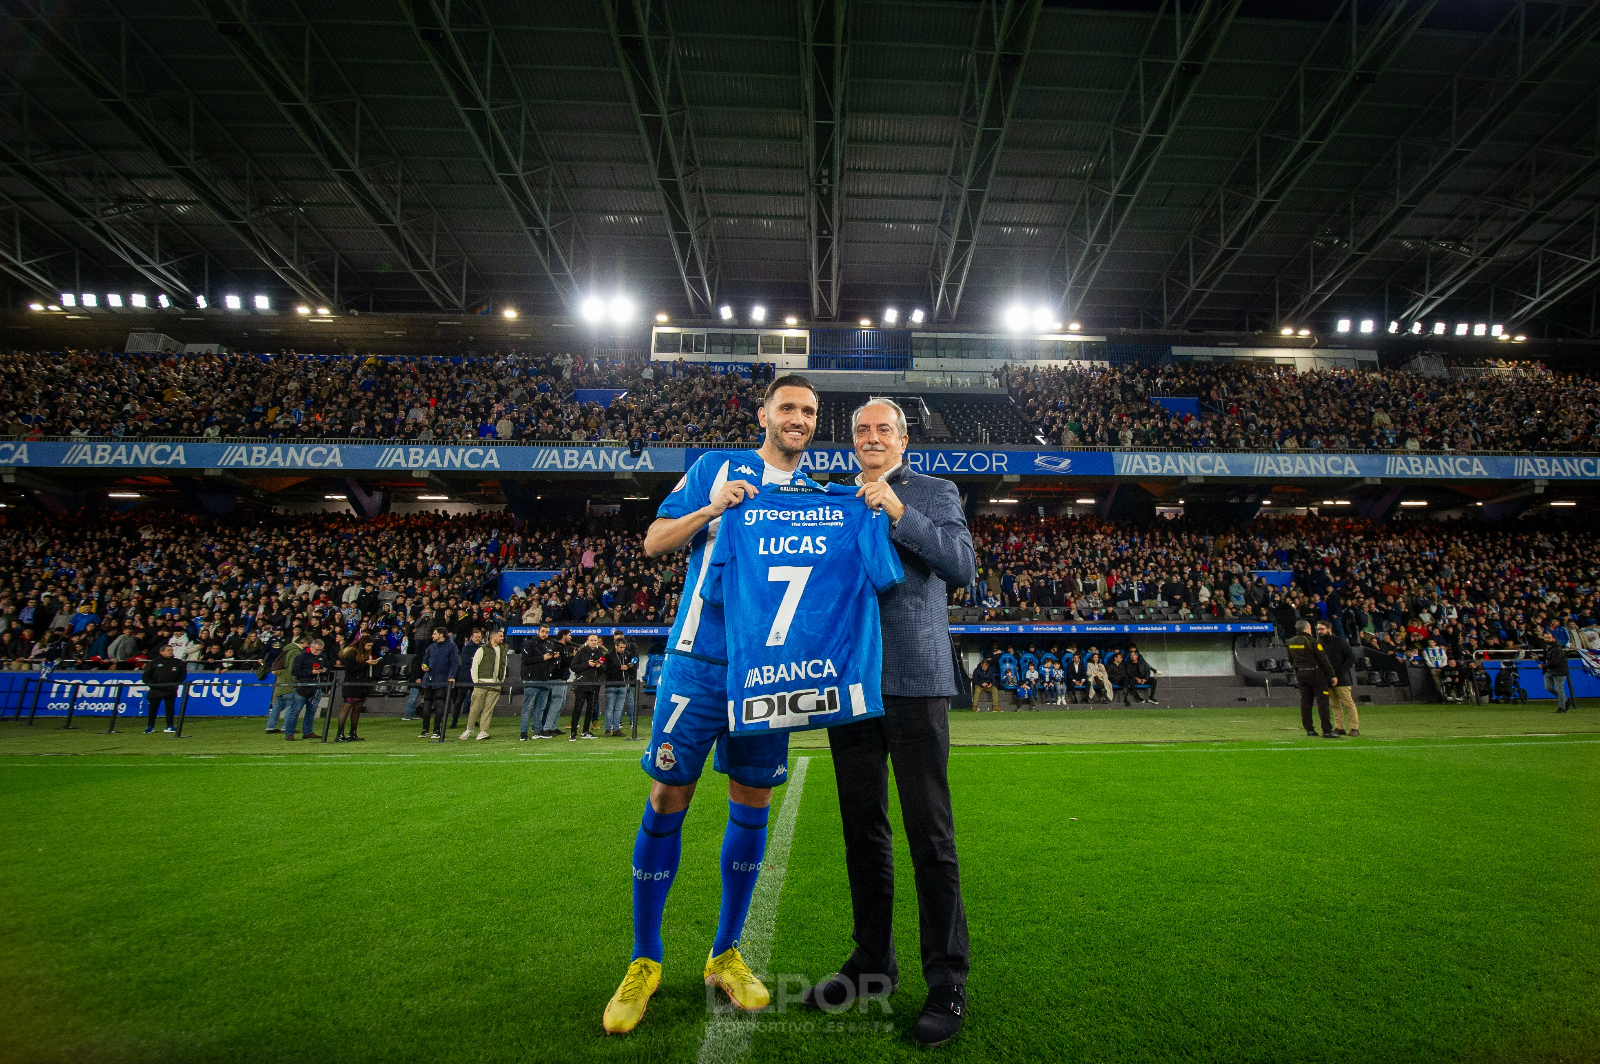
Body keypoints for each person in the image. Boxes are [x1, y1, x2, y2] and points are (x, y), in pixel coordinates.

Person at [603, 375, 820, 1036]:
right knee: (669, 794)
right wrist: (713, 509)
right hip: (697, 663)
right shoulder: (715, 468)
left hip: (771, 674)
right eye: (788, 407)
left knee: (753, 800)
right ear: (764, 414)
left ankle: (725, 954)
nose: (799, 419)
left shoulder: (818, 497)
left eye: (810, 412)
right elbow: (653, 542)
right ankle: (645, 960)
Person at [801, 397, 977, 1048]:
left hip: (914, 681)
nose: (871, 437)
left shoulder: (933, 491)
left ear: (904, 440)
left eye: (883, 429)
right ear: (851, 444)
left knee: (930, 837)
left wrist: (899, 510)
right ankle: (872, 964)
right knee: (862, 834)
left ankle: (947, 981)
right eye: (861, 431)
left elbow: (962, 567)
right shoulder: (835, 500)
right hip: (850, 683)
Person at [1285, 620, 1338, 738]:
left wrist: (1298, 668)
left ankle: (1309, 729)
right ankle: (1327, 730)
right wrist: (1332, 675)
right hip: (1315, 673)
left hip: (1300, 674)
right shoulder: (1312, 641)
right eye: (1310, 628)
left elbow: (1290, 659)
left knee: (1305, 702)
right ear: (1306, 629)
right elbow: (1323, 659)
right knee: (1322, 702)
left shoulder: (1291, 641)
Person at [462, 628, 508, 740]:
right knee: (475, 708)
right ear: (493, 637)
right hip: (482, 682)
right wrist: (476, 682)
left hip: (496, 684)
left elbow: (504, 666)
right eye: (500, 636)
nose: (503, 638)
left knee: (488, 709)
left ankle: (482, 731)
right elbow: (475, 666)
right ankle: (469, 729)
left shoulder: (502, 650)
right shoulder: (482, 649)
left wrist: (501, 681)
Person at [1316, 621, 1359, 736]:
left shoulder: (1340, 642)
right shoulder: (1320, 643)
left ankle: (1354, 728)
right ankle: (1339, 727)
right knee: (1334, 704)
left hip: (1342, 679)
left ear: (1329, 629)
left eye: (1322, 629)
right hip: (1327, 679)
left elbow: (1352, 657)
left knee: (1348, 703)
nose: (1319, 632)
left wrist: (1339, 674)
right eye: (1318, 629)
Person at [519, 622, 557, 740]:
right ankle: (523, 733)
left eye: (547, 632)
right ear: (538, 632)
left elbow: (549, 662)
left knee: (540, 707)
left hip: (545, 680)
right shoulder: (529, 644)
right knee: (528, 707)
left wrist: (553, 658)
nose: (544, 634)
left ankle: (537, 731)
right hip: (532, 679)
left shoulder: (550, 645)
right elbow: (525, 660)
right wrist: (542, 658)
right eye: (542, 631)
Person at [337, 636, 380, 742]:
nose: (369, 648)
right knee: (346, 708)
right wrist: (366, 664)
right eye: (368, 646)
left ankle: (353, 733)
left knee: (357, 709)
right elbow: (350, 669)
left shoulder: (366, 653)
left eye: (370, 646)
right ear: (362, 644)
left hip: (362, 684)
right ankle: (340, 734)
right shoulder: (351, 653)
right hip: (351, 684)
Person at [418, 628, 459, 738]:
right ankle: (425, 729)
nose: (432, 635)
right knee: (426, 704)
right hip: (429, 679)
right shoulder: (432, 647)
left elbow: (454, 663)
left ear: (441, 635)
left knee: (439, 704)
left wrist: (451, 677)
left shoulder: (451, 647)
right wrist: (424, 666)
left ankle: (437, 730)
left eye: (434, 633)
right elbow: (425, 660)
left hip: (442, 679)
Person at [284, 637, 327, 739]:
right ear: (311, 647)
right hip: (302, 687)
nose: (318, 652)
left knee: (311, 711)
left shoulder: (323, 657)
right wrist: (310, 672)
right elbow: (294, 671)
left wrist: (324, 670)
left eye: (320, 650)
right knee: (295, 711)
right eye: (316, 649)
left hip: (316, 687)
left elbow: (328, 667)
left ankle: (307, 732)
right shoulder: (301, 657)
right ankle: (289, 733)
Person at [140, 644, 186, 733]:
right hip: (156, 689)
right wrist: (153, 685)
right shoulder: (155, 662)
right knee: (153, 709)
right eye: (168, 650)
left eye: (171, 650)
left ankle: (170, 726)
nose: (170, 652)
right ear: (162, 652)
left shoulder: (178, 662)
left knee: (170, 708)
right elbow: (146, 676)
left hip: (170, 689)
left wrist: (175, 683)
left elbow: (182, 675)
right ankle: (150, 726)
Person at [264, 633, 303, 735]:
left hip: (280, 681)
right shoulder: (295, 652)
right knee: (291, 704)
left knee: (278, 705)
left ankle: (270, 727)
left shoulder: (285, 650)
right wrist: (297, 681)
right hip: (289, 682)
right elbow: (292, 669)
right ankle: (286, 727)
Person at [570, 633, 606, 741]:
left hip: (594, 684)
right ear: (587, 641)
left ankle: (585, 731)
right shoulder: (581, 652)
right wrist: (587, 664)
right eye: (592, 640)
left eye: (595, 640)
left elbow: (604, 667)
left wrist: (600, 666)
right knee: (578, 708)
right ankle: (573, 732)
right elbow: (573, 667)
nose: (594, 642)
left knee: (590, 708)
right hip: (582, 684)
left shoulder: (599, 653)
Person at [607, 633, 638, 737]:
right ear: (615, 646)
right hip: (611, 684)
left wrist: (629, 666)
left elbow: (633, 666)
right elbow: (606, 670)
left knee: (619, 709)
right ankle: (607, 729)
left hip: (624, 683)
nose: (622, 650)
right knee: (610, 708)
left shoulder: (627, 654)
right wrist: (619, 668)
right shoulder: (609, 655)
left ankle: (616, 729)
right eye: (620, 647)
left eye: (624, 647)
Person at [1540, 631, 1572, 712]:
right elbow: (1547, 658)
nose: (1547, 639)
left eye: (1549, 638)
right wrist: (1538, 657)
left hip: (1559, 671)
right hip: (1549, 670)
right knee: (1548, 688)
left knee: (1559, 689)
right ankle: (1565, 700)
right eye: (1546, 638)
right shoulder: (1546, 647)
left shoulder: (1558, 649)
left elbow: (1556, 661)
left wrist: (1544, 666)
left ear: (1553, 639)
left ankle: (1562, 707)